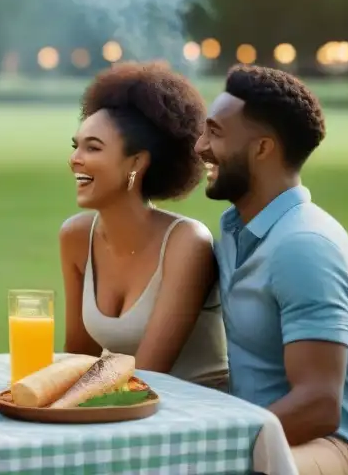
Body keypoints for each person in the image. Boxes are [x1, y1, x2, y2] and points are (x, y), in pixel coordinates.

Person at [197, 65, 348, 473]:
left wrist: (217, 444)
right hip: (268, 434)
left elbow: (319, 406)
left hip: (336, 446)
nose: (200, 146)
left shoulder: (303, 246)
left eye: (216, 133)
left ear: (262, 149)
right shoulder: (237, 230)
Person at [60, 61, 229, 387]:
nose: (75, 159)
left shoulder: (187, 243)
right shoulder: (76, 237)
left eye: (92, 147)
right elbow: (78, 360)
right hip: (125, 407)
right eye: (75, 145)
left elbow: (151, 375)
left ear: (137, 161)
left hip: (200, 413)